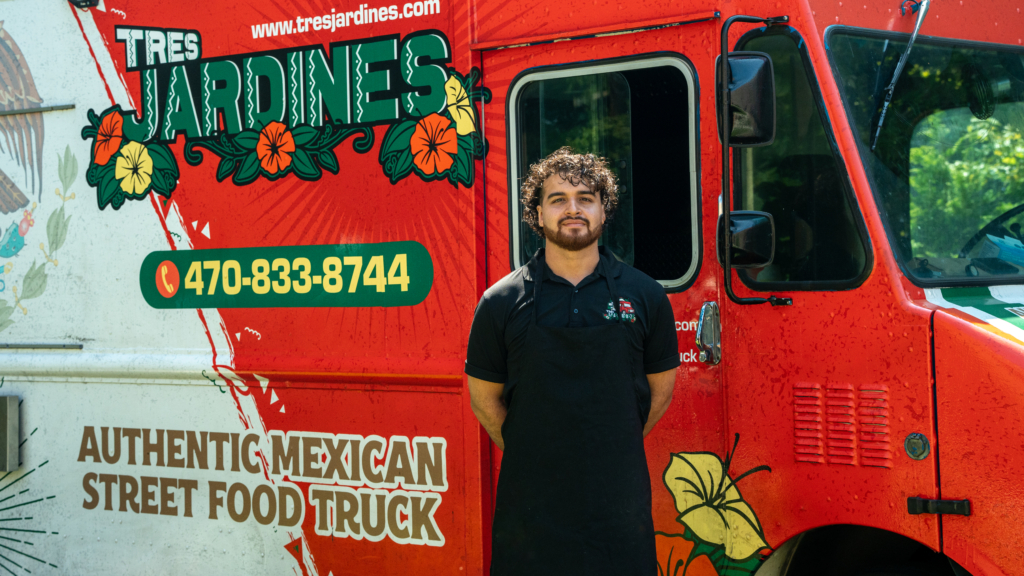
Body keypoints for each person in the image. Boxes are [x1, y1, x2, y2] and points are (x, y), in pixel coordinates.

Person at [465, 147, 680, 576]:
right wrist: (535, 454)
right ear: (538, 214)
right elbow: (484, 400)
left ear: (604, 211)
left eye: (586, 197)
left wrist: (607, 448)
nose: (573, 209)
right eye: (558, 199)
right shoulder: (501, 301)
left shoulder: (645, 296)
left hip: (619, 505)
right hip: (530, 508)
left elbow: (661, 391)